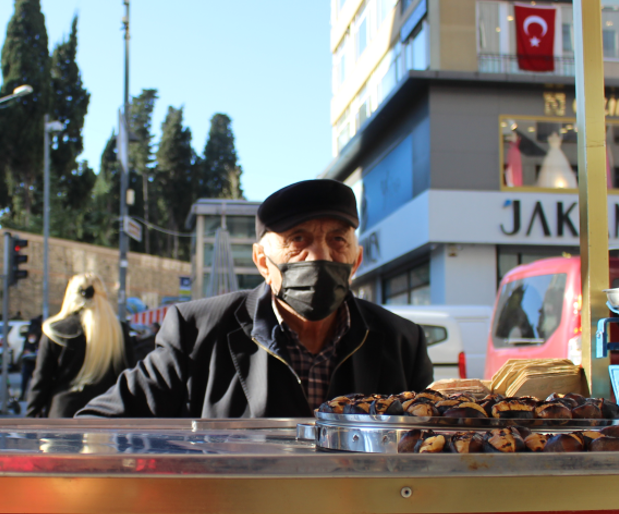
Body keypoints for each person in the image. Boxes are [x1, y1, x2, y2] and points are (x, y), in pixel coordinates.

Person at [79, 179, 433, 419]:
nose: (318, 256)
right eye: (298, 240)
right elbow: (101, 424)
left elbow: (434, 449)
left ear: (356, 261)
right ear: (262, 261)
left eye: (337, 240)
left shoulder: (402, 342)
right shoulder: (197, 333)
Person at [26, 274, 134, 419]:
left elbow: (41, 380)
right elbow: (128, 376)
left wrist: (31, 415)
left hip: (63, 415)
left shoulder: (55, 330)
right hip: (106, 415)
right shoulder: (117, 330)